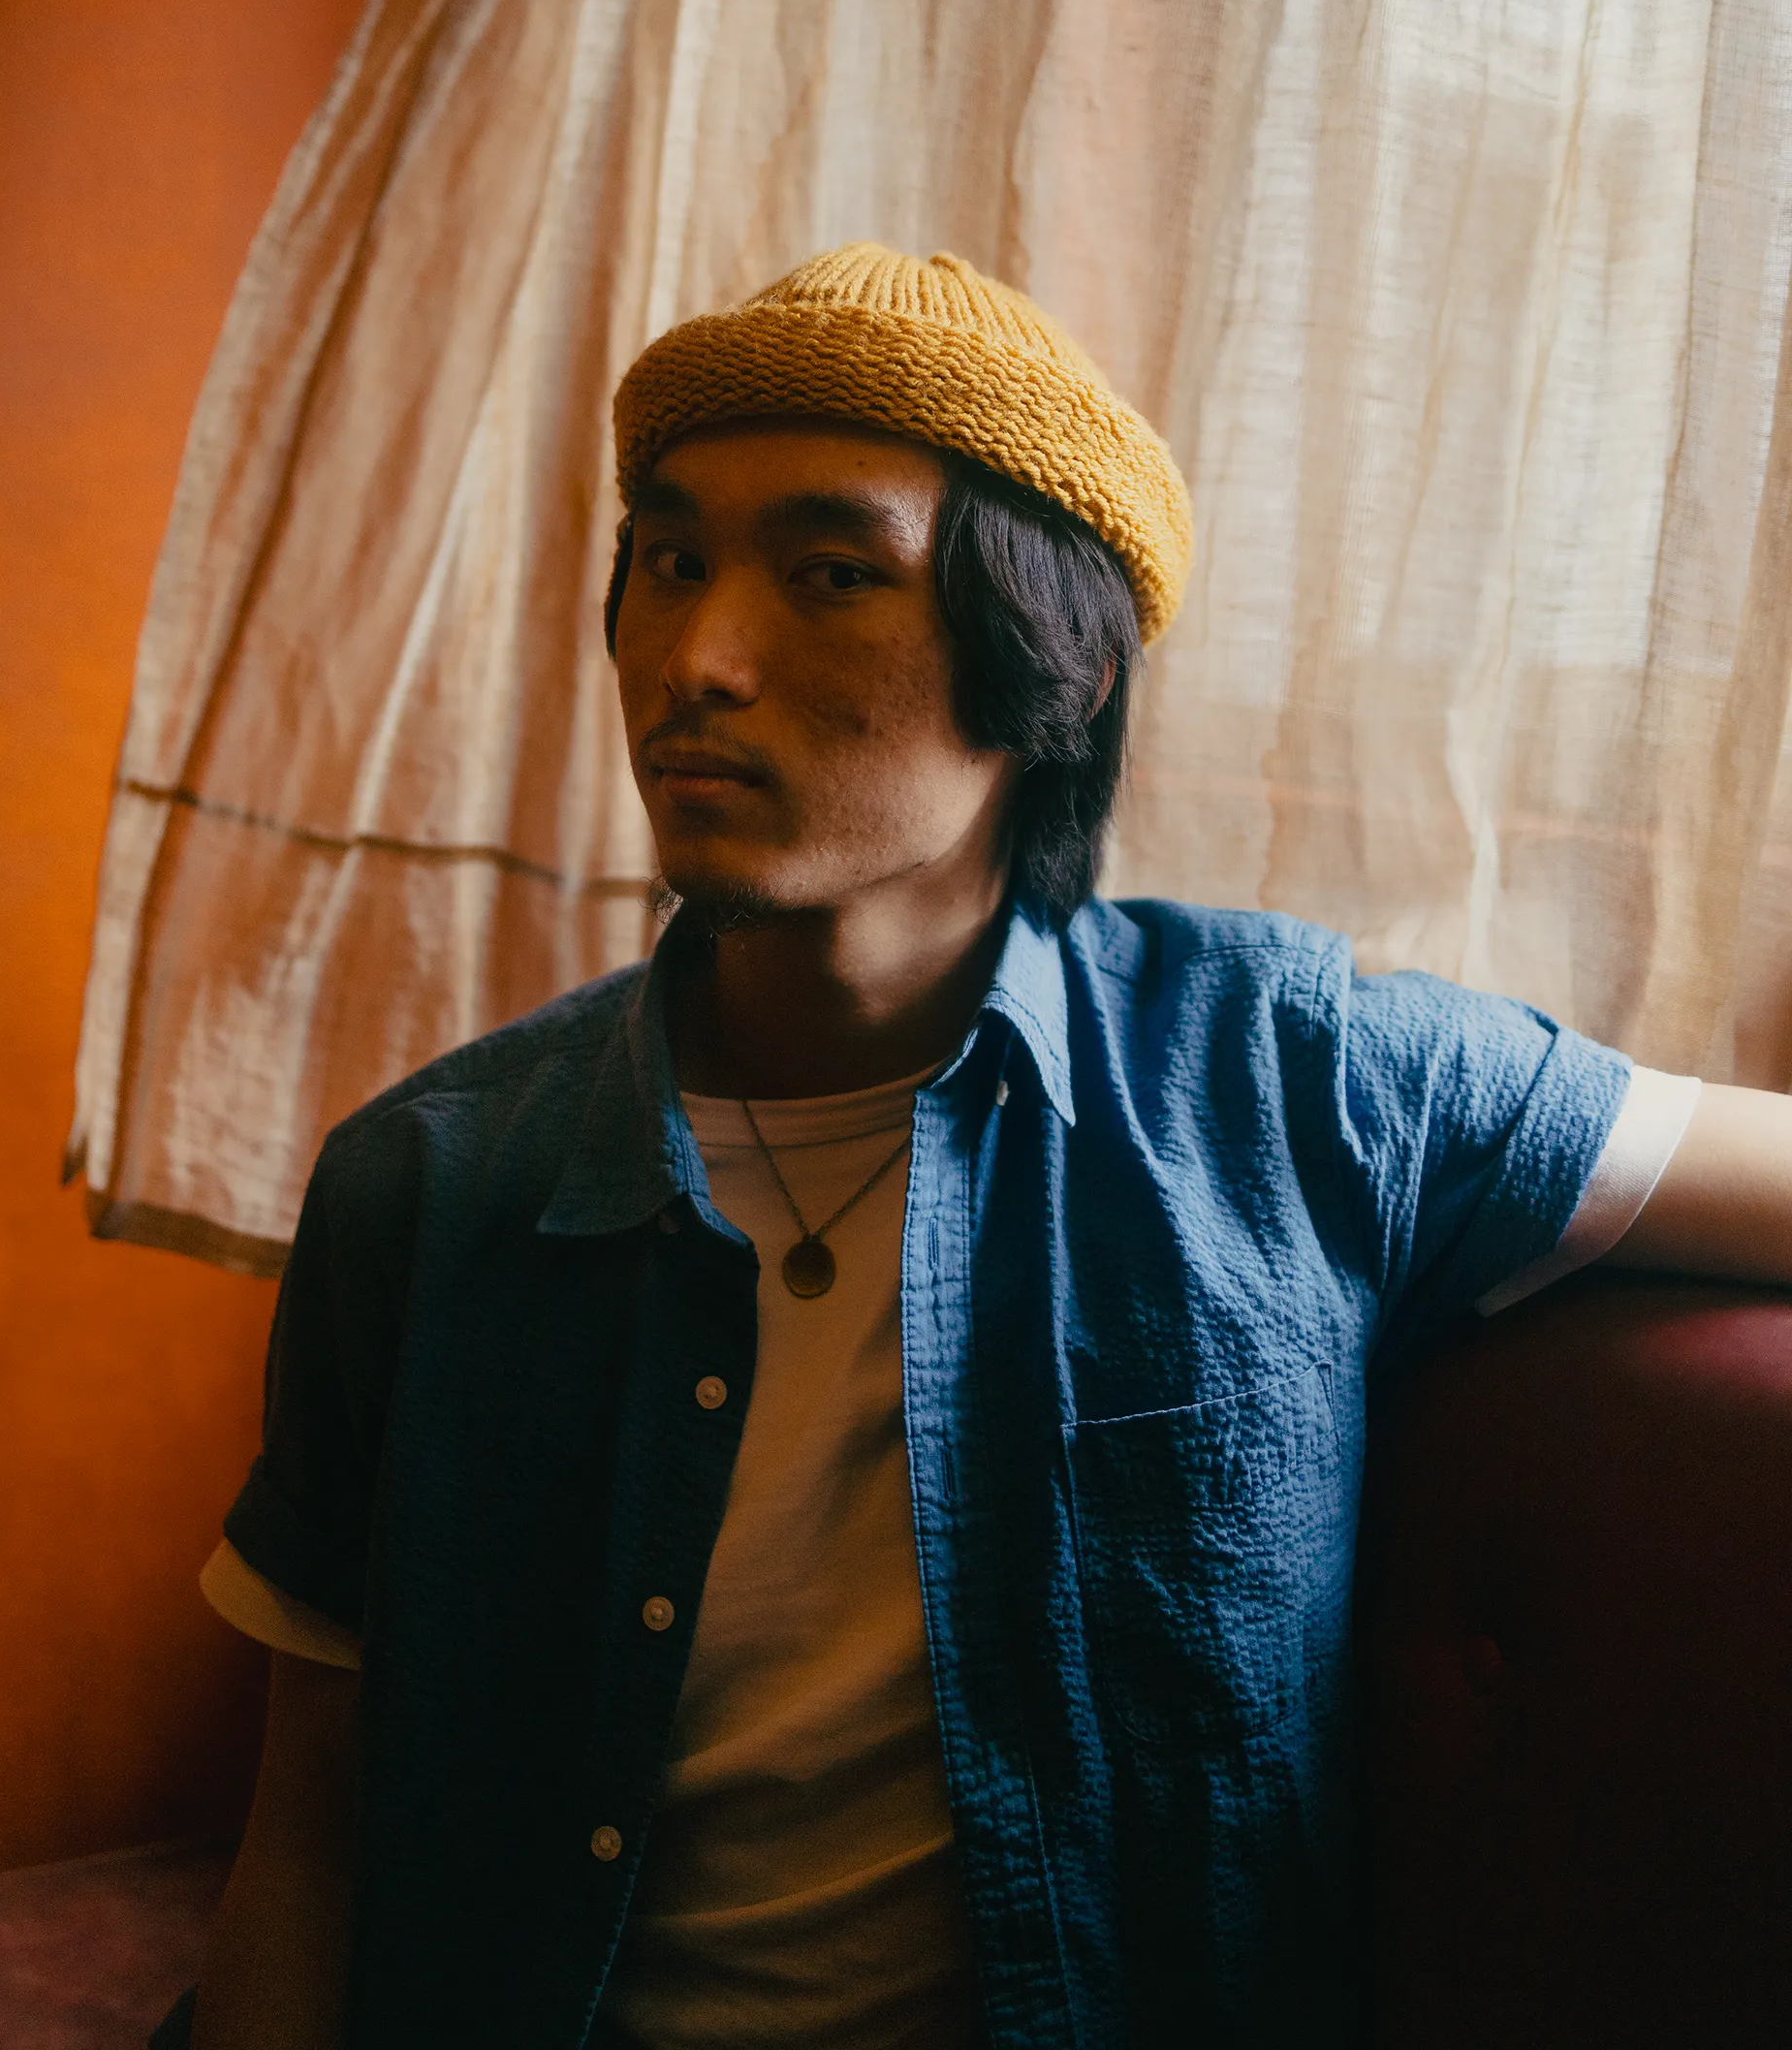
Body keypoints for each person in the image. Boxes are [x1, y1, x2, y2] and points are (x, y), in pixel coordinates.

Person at [181, 244, 1792, 2050]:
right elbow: (310, 1843)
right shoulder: (431, 1182)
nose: (696, 660)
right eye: (668, 559)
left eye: (829, 576)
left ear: (1059, 669)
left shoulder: (1288, 1071)